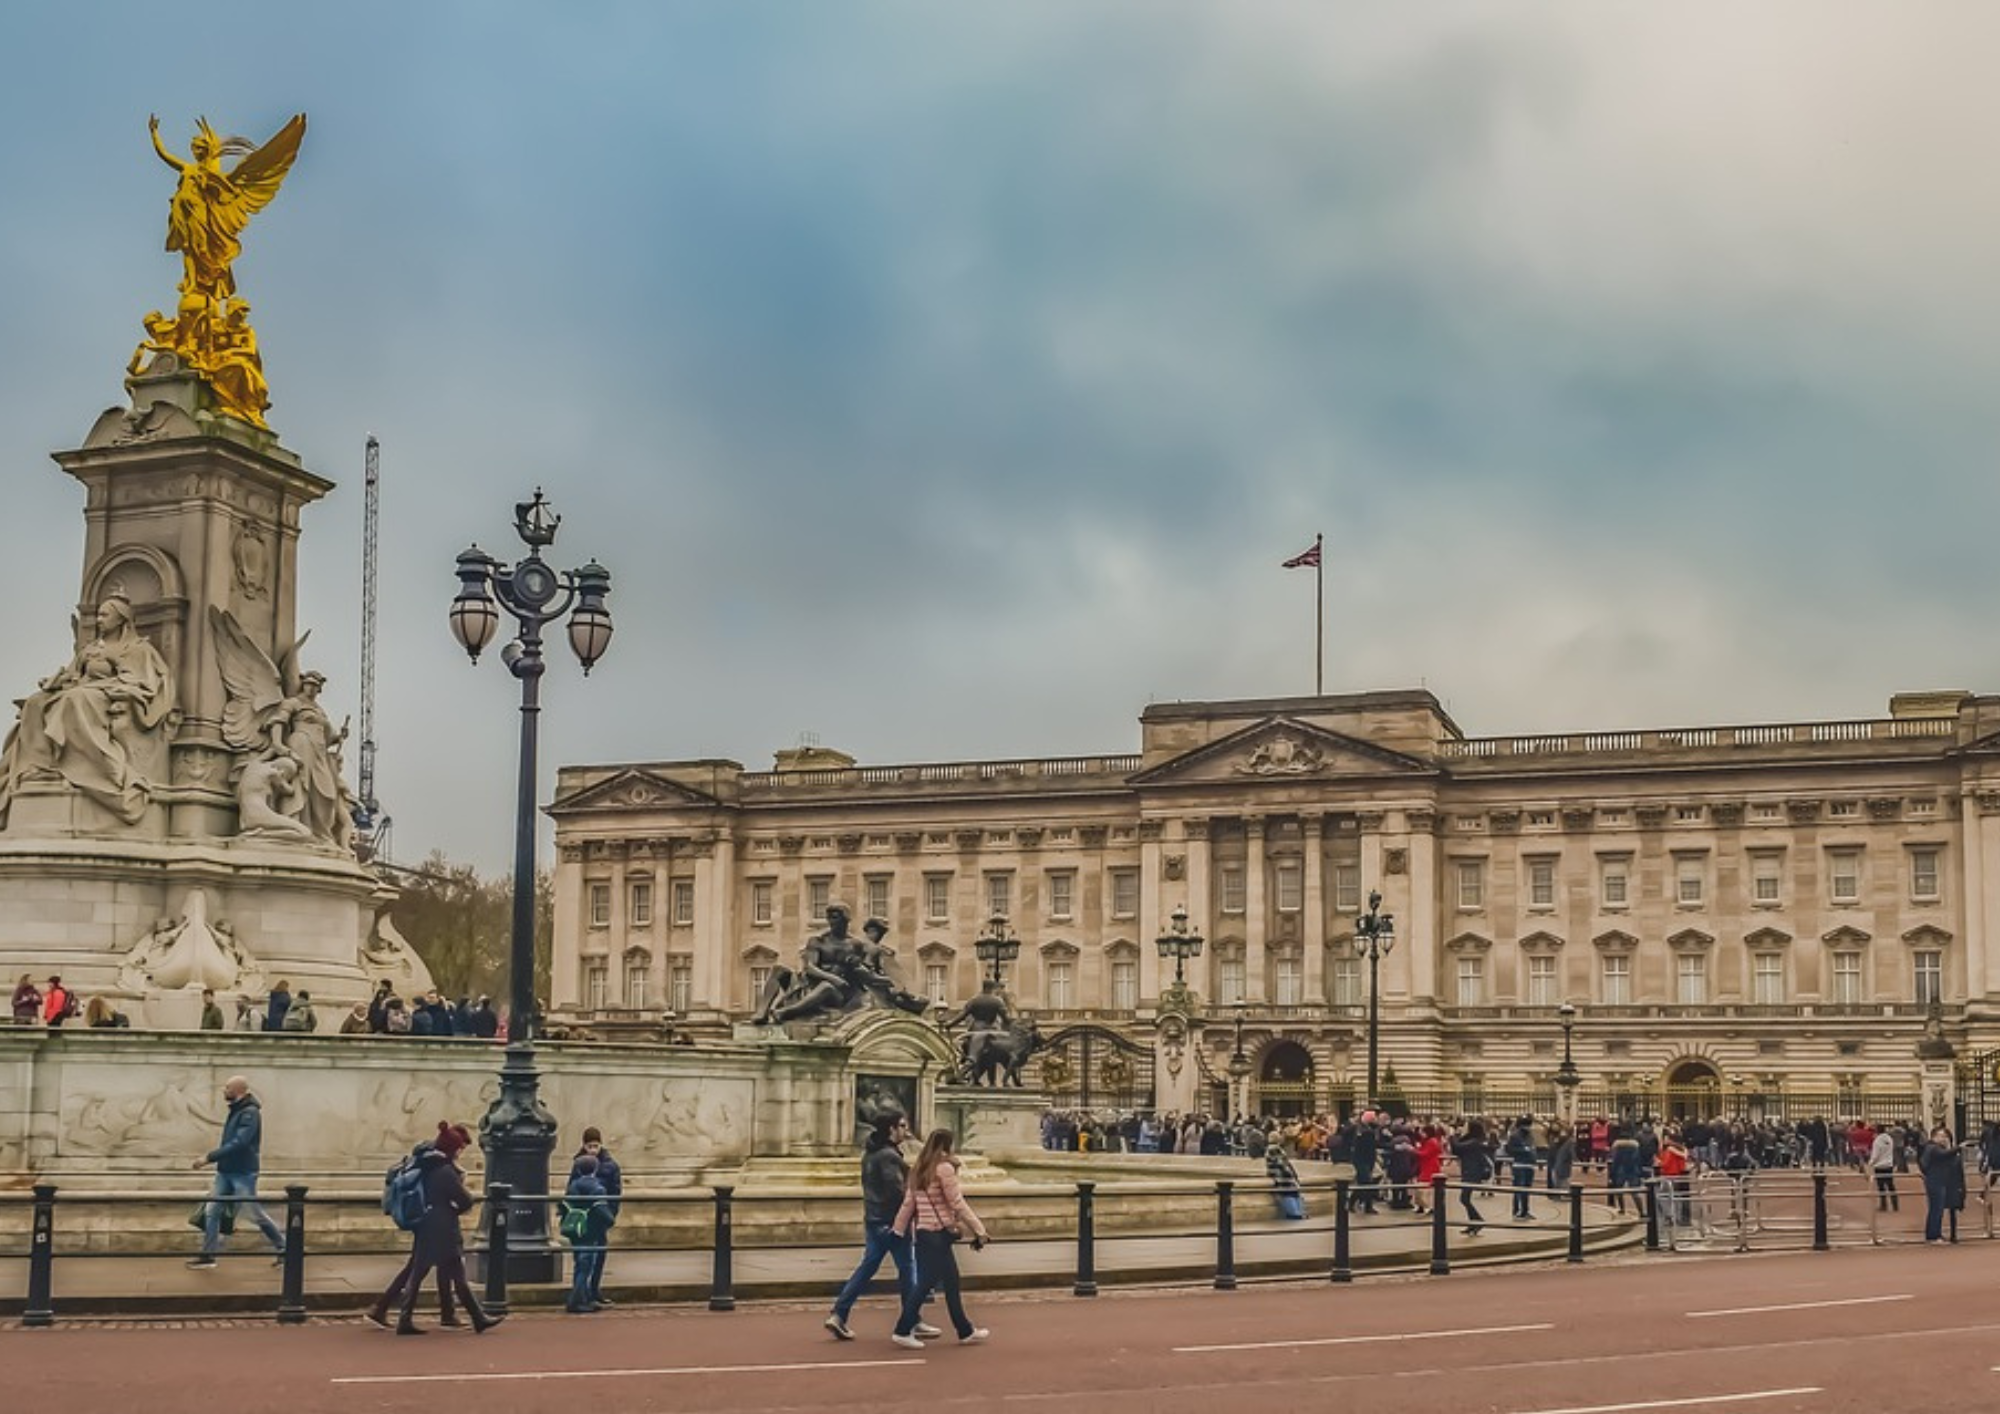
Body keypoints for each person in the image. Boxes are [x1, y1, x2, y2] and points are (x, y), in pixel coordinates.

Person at [370, 1121, 498, 1334]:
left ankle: (465, 1317)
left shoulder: (427, 1165)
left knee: (423, 1271)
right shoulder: (445, 1171)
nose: (460, 1152)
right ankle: (475, 1318)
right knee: (445, 1273)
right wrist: (454, 1207)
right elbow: (465, 1200)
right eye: (458, 1149)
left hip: (427, 1224)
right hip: (443, 1228)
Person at [828, 1111, 939, 1341]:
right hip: (892, 1222)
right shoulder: (889, 1156)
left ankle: (839, 1313)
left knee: (868, 1267)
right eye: (901, 1125)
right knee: (908, 1270)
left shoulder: (869, 1154)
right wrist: (913, 1211)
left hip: (873, 1219)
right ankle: (912, 1320)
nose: (905, 1130)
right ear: (890, 1129)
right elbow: (895, 1191)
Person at [890, 1129, 990, 1348]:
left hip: (925, 1233)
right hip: (939, 1233)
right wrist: (979, 1229)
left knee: (952, 1282)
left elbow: (909, 1204)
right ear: (948, 1145)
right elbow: (957, 1202)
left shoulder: (918, 1169)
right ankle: (902, 1329)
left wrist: (898, 1230)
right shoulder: (944, 1169)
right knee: (925, 1284)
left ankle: (965, 1330)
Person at [188, 1075, 285, 1268]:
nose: (224, 1091)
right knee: (212, 1211)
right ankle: (209, 1255)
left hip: (243, 1173)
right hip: (226, 1171)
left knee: (255, 1214)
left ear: (238, 1090)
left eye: (227, 1088)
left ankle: (285, 1249)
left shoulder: (249, 1113)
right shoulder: (237, 1110)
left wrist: (209, 1157)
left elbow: (239, 1143)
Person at [567, 1127, 622, 1308]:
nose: (592, 1149)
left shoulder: (610, 1166)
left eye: (595, 1146)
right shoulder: (579, 1163)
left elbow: (615, 1193)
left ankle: (592, 1291)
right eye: (589, 1146)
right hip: (584, 1220)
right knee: (584, 1259)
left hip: (599, 1218)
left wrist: (609, 1216)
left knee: (597, 1257)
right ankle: (581, 1296)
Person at [562, 1154, 615, 1314]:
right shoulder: (597, 1188)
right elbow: (602, 1210)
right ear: (595, 1169)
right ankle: (576, 1301)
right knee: (586, 1265)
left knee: (579, 1263)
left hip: (575, 1230)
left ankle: (582, 1298)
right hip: (590, 1230)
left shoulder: (574, 1186)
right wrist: (610, 1220)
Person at [1919, 1126, 1965, 1243]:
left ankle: (1934, 1233)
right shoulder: (1933, 1148)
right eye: (1940, 1136)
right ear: (1934, 1137)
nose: (1943, 1138)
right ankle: (1933, 1235)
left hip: (1938, 1180)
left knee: (1936, 1209)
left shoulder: (1934, 1148)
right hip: (1936, 1181)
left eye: (1945, 1136)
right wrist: (1958, 1148)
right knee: (1936, 1209)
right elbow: (1944, 1155)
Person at [1452, 1119, 1492, 1236]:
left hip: (1472, 1172)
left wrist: (1453, 1135)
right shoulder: (1473, 1141)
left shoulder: (1474, 1142)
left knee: (1464, 1198)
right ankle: (1473, 1223)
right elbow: (1457, 1150)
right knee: (1465, 1199)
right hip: (1469, 1171)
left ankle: (1478, 1221)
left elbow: (1457, 1147)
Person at [1869, 1123, 1899, 1212]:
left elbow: (1875, 1154)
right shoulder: (1889, 1139)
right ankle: (1895, 1205)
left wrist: (1871, 1163)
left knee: (1881, 1187)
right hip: (1889, 1164)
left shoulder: (1877, 1140)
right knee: (1891, 1185)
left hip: (1879, 1166)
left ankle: (1883, 1205)